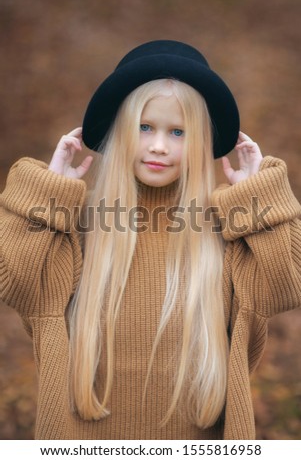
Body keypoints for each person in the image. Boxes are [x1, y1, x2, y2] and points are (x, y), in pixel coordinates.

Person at [0, 40, 300, 441]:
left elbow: (285, 288)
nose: (159, 145)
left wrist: (256, 198)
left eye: (178, 131)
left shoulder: (227, 229)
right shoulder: (74, 224)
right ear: (119, 132)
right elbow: (15, 282)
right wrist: (47, 194)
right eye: (145, 127)